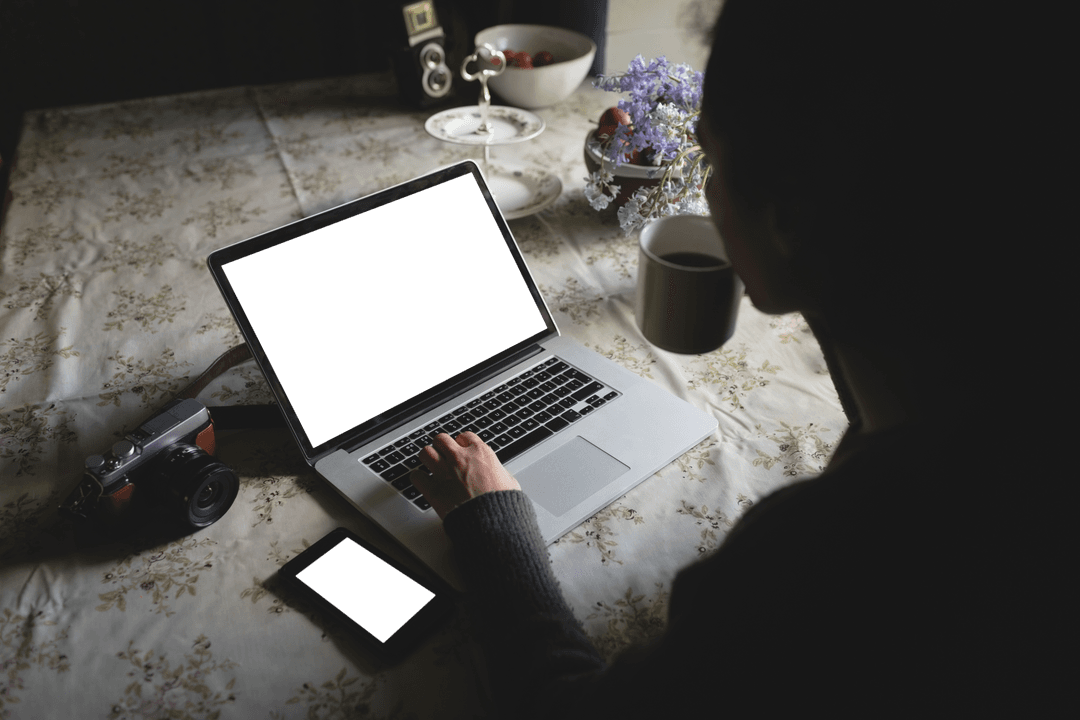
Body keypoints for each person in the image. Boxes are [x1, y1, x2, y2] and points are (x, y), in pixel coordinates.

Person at [410, 0, 1043, 715]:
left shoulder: (819, 561)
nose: (705, 194)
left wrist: (491, 524)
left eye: (711, 159)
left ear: (789, 217)